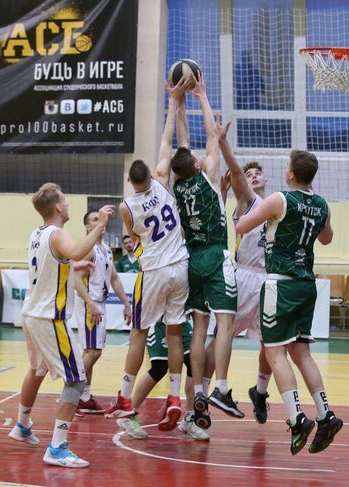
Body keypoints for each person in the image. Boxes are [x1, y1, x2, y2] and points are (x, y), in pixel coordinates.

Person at [236, 150, 343, 456]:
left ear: (292, 174)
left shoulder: (279, 200)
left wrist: (248, 207)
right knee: (302, 353)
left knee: (275, 353)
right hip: (306, 285)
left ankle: (297, 418)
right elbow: (326, 239)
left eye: (287, 167)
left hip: (280, 283)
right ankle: (325, 415)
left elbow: (242, 227)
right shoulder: (322, 204)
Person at [104, 79, 192, 432]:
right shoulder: (162, 182)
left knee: (139, 332)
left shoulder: (127, 207)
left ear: (129, 180)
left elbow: (132, 238)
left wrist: (139, 249)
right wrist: (174, 103)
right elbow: (167, 141)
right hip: (180, 266)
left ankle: (126, 397)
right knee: (175, 334)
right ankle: (175, 397)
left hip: (154, 269)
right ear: (150, 176)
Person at [8, 182, 115, 468]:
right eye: (65, 200)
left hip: (31, 314)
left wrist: (73, 267)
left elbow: (56, 262)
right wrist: (100, 225)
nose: (67, 205)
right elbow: (76, 250)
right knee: (77, 379)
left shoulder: (37, 233)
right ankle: (57, 447)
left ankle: (22, 425)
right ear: (57, 206)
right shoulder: (57, 233)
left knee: (38, 369)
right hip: (49, 318)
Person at [168, 73, 243, 428]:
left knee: (199, 328)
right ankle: (222, 388)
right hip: (215, 255)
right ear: (197, 166)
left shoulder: (178, 186)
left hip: (191, 258)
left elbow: (183, 144)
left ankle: (197, 390)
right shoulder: (208, 174)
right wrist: (201, 96)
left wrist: (177, 104)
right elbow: (213, 135)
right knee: (225, 324)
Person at [213, 117, 273, 424]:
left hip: (269, 280)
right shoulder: (249, 200)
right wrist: (223, 144)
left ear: (265, 178)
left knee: (271, 344)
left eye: (257, 173)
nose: (253, 176)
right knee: (221, 336)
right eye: (249, 175)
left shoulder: (276, 204)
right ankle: (205, 391)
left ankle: (260, 391)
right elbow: (236, 173)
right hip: (245, 277)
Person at [74, 210, 132, 414]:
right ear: (88, 226)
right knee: (93, 352)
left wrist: (126, 304)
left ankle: (84, 397)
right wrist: (90, 303)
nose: (100, 222)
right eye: (95, 219)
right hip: (89, 304)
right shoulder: (88, 248)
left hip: (99, 304)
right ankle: (72, 393)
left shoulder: (105, 249)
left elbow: (114, 278)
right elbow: (76, 280)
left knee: (90, 352)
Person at [117, 319, 210, 441]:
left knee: (194, 363)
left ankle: (190, 418)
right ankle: (128, 414)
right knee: (159, 367)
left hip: (180, 321)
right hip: (158, 320)